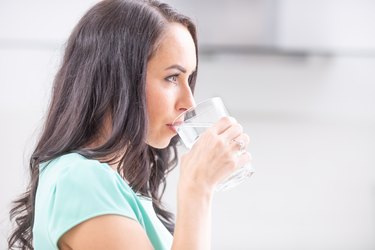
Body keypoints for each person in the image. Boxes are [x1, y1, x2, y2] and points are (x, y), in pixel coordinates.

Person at [8, 0, 251, 249]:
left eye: (189, 78)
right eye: (171, 77)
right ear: (118, 77)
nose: (188, 102)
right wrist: (197, 190)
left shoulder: (114, 185)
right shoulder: (81, 181)